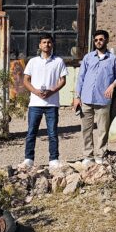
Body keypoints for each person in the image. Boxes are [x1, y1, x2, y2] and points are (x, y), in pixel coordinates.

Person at [73, 29, 116, 165]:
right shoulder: (88, 57)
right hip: (86, 99)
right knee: (86, 129)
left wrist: (112, 85)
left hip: (103, 99)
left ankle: (100, 155)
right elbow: (81, 78)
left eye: (101, 39)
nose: (98, 42)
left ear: (106, 40)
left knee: (102, 129)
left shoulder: (113, 59)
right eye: (96, 40)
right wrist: (77, 97)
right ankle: (88, 156)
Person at [21, 34, 68, 169]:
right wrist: (36, 92)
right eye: (44, 42)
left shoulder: (58, 61)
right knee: (31, 132)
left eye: (49, 42)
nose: (46, 45)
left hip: (51, 103)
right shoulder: (33, 61)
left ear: (52, 44)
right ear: (39, 45)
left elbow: (63, 80)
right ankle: (28, 159)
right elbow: (26, 80)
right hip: (35, 104)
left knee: (52, 133)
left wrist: (51, 91)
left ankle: (54, 159)